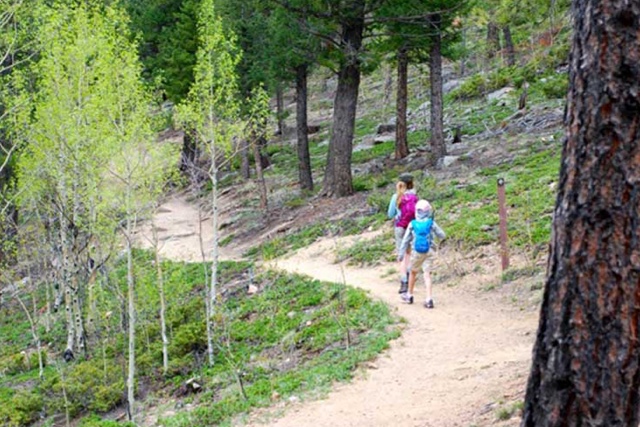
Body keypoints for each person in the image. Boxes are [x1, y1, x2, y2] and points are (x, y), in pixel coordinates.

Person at [397, 199, 446, 308]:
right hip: (430, 251)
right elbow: (442, 235)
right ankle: (429, 299)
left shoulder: (412, 224)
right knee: (427, 274)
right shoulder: (431, 223)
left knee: (413, 272)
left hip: (417, 252)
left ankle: (409, 295)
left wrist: (401, 254)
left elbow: (405, 240)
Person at [387, 173, 417, 294]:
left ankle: (404, 281)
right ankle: (410, 277)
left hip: (400, 227)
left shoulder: (396, 196)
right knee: (409, 253)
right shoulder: (414, 196)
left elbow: (390, 214)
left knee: (402, 254)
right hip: (412, 227)